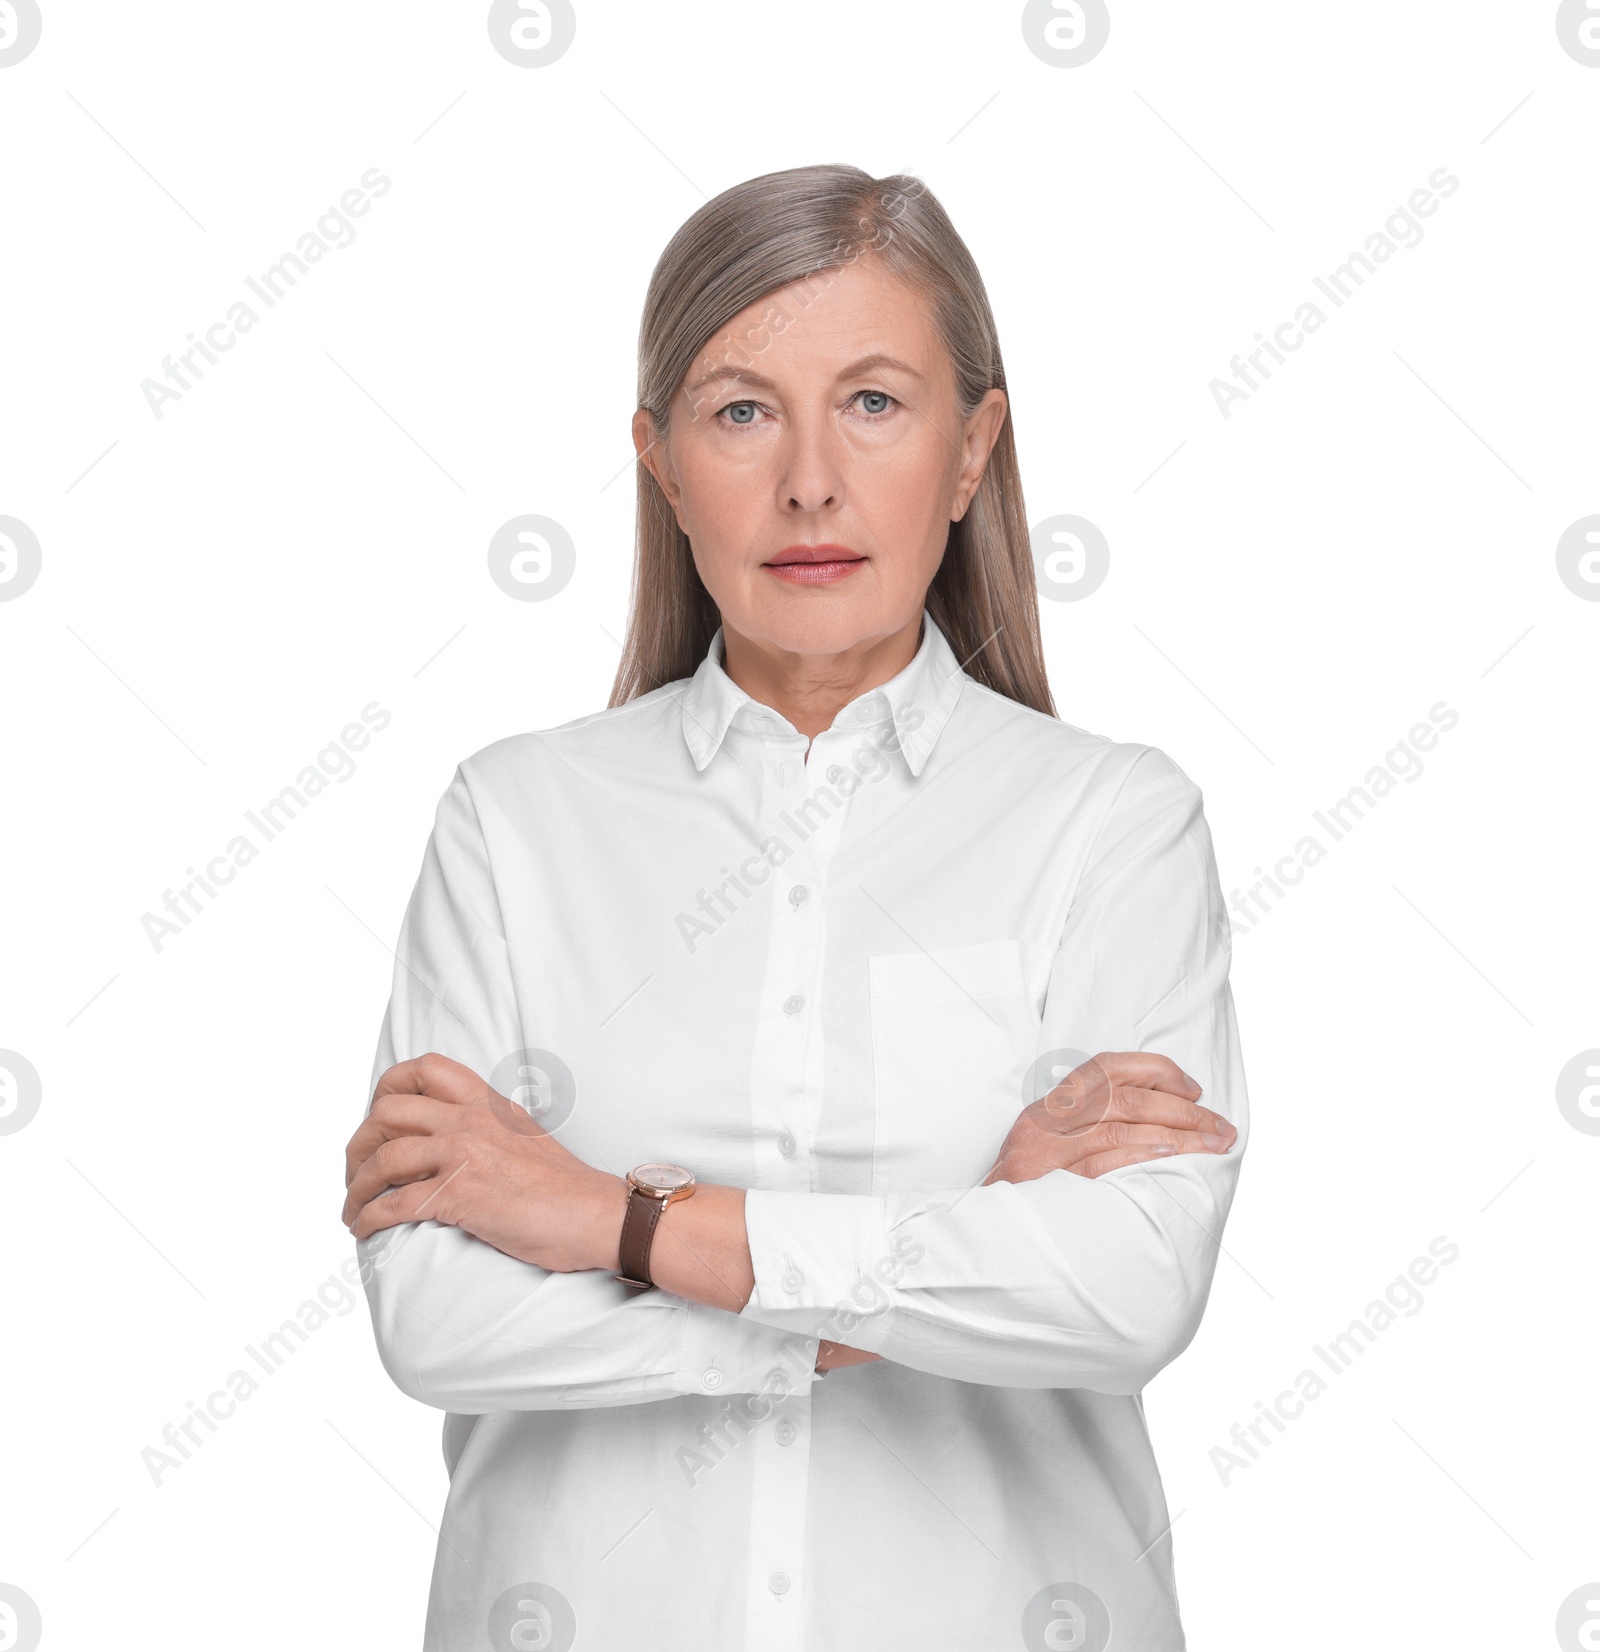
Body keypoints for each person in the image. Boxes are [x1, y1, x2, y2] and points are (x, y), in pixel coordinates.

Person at [342, 163, 1248, 1652]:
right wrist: (935, 1258)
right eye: (743, 410)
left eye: (877, 403)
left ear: (974, 451)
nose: (812, 482)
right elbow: (438, 1324)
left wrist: (605, 1223)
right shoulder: (514, 826)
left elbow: (1123, 1291)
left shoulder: (1114, 828)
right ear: (661, 461)